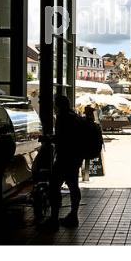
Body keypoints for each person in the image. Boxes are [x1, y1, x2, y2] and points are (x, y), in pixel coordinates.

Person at [47, 95, 84, 230]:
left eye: (54, 104)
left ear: (58, 105)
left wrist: (50, 139)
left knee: (54, 186)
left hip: (64, 158)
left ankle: (54, 219)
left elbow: (62, 138)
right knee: (74, 186)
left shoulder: (62, 117)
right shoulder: (74, 116)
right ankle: (73, 216)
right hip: (75, 158)